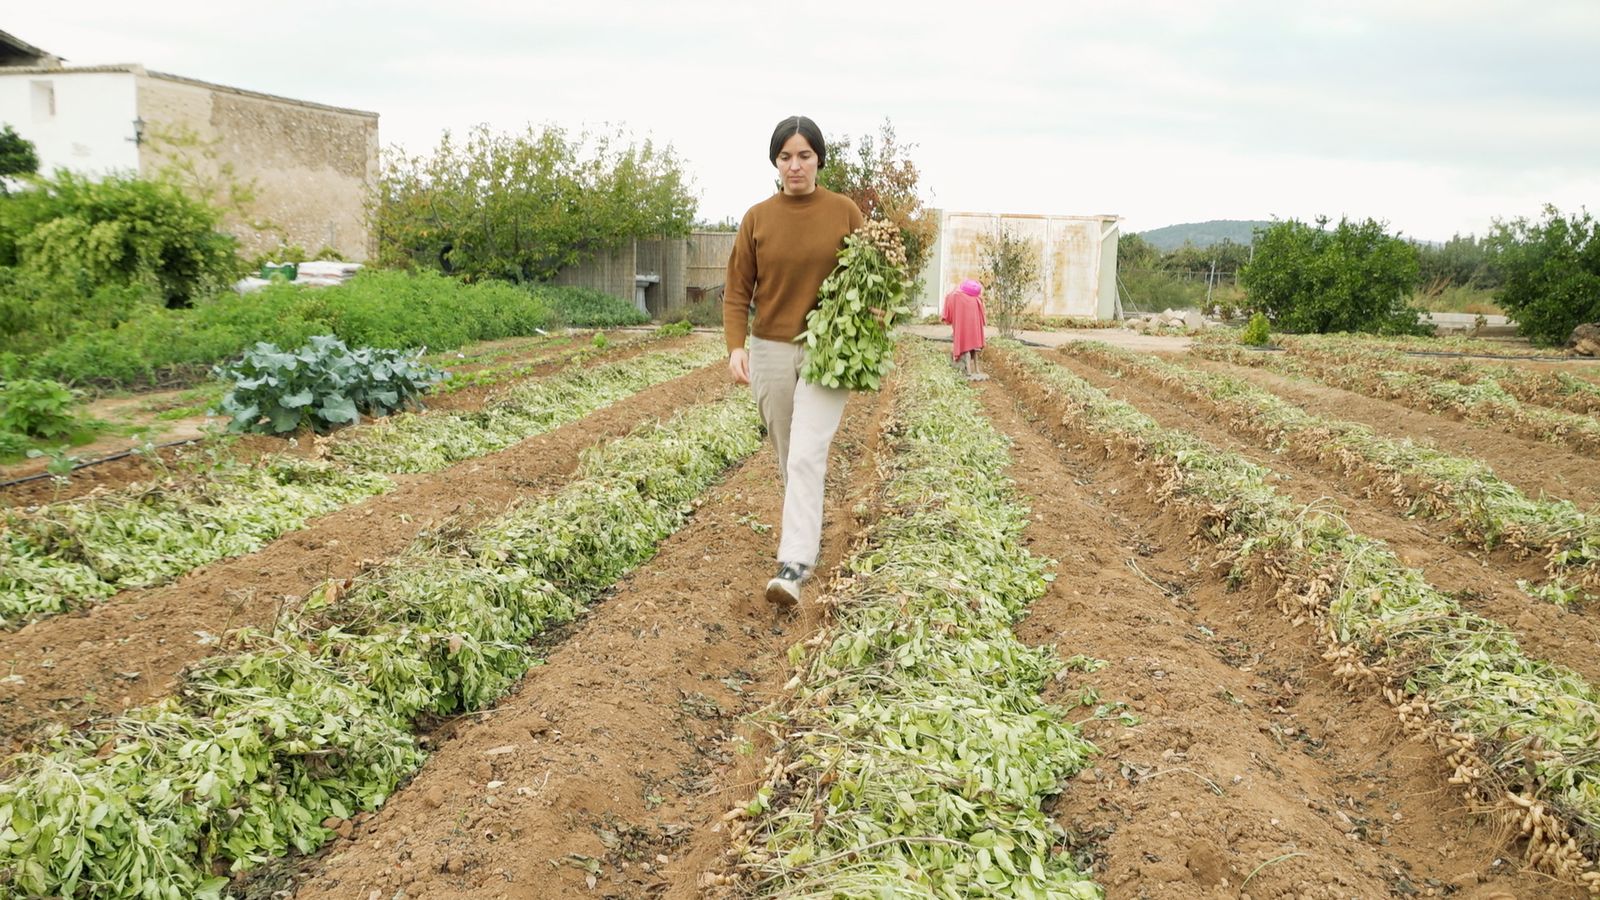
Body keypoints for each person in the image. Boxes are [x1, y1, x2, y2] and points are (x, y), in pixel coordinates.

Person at [724, 115, 865, 608]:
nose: (796, 165)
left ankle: (794, 565)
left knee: (807, 454)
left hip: (829, 349)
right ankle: (802, 537)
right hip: (770, 348)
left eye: (805, 155)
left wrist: (873, 318)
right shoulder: (757, 218)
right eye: (786, 156)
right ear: (775, 162)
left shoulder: (844, 212)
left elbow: (870, 274)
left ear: (819, 159)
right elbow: (738, 289)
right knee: (789, 458)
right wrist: (737, 345)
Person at [943, 278, 988, 380]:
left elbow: (949, 305)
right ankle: (977, 369)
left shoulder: (956, 295)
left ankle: (968, 371)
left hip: (965, 328)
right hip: (975, 329)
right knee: (974, 347)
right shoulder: (977, 299)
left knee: (966, 346)